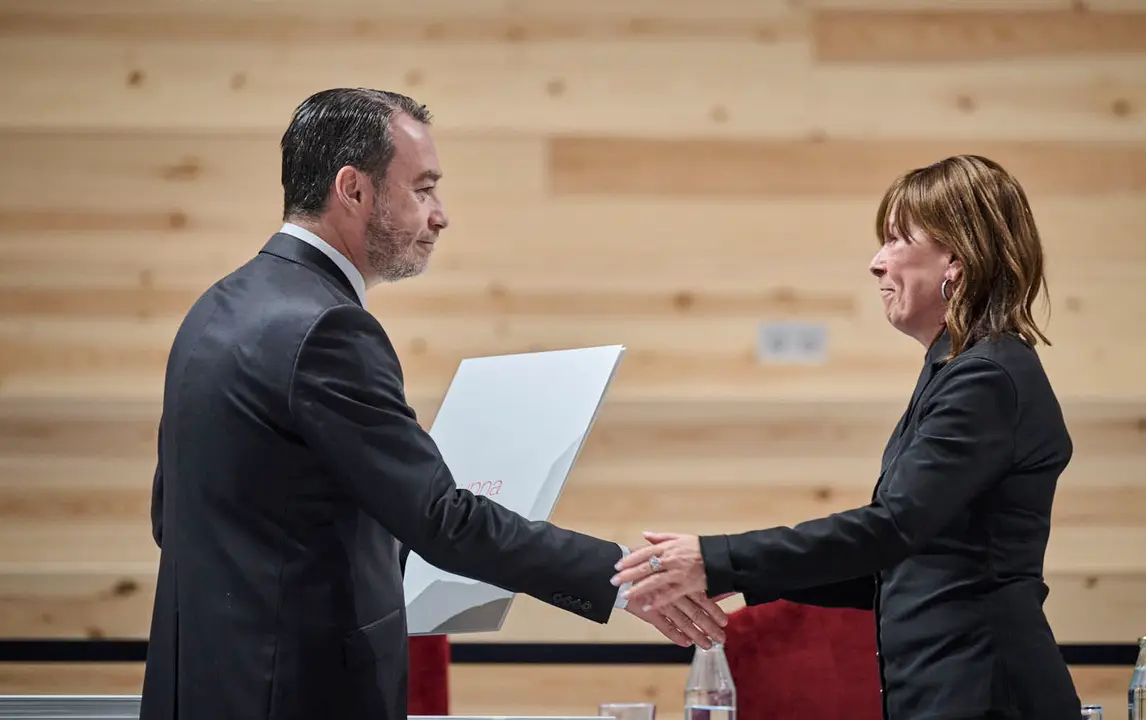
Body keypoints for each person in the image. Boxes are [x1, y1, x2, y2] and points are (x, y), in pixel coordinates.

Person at [140, 87, 727, 720]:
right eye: (422, 189)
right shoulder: (328, 328)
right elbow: (442, 520)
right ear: (354, 190)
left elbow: (173, 515)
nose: (440, 215)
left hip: (200, 685)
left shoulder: (214, 309)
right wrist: (622, 574)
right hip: (294, 694)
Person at [613, 155, 1083, 718]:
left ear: (956, 258)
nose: (876, 263)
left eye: (894, 239)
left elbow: (891, 529)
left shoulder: (987, 376)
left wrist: (719, 560)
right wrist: (733, 576)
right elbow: (896, 567)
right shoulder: (963, 370)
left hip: (987, 693)